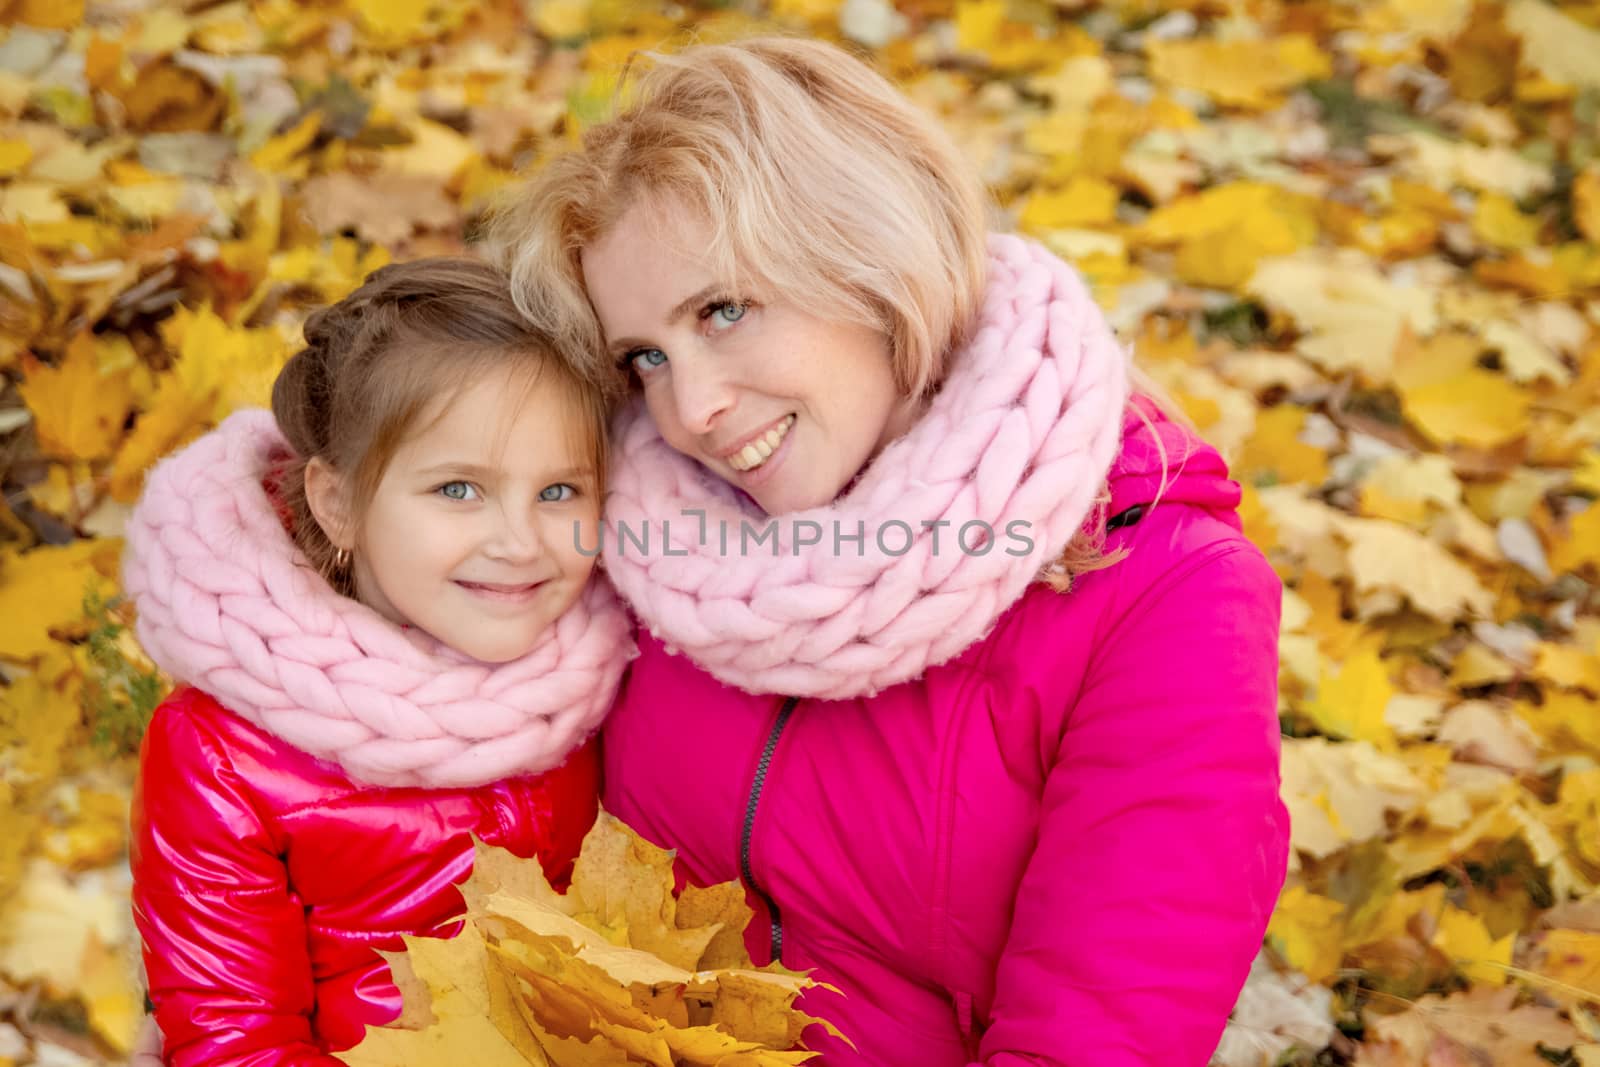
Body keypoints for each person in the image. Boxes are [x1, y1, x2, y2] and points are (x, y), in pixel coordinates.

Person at [496, 36, 1290, 1065]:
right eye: (646, 355)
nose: (690, 407)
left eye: (723, 310)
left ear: (869, 257)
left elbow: (1101, 1029)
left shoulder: (1165, 599)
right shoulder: (644, 521)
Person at [121, 257, 633, 1066]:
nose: (521, 541)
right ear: (338, 503)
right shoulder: (222, 755)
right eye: (460, 489)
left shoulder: (616, 661)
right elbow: (240, 1040)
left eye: (560, 491)